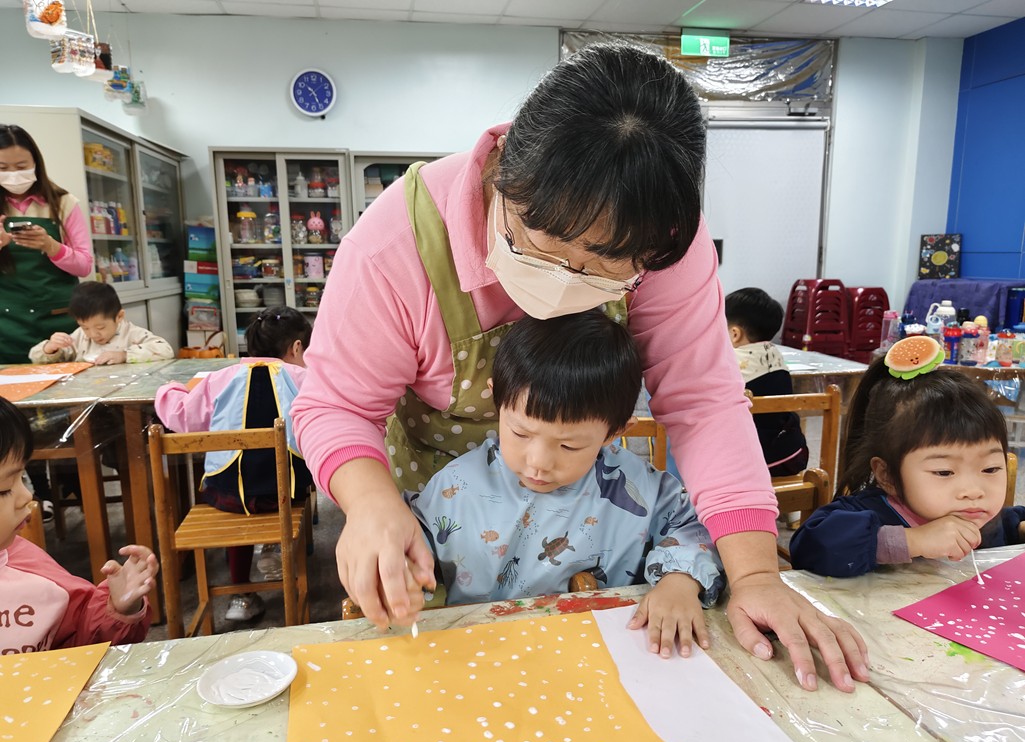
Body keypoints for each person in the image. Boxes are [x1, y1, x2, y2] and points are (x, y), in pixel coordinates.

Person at [292, 42, 868, 692]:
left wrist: (757, 574)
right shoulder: (397, 243)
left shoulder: (658, 233)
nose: (565, 279)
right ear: (505, 172)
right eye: (538, 244)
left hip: (590, 519)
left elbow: (703, 402)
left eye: (601, 265)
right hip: (449, 530)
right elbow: (335, 405)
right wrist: (371, 506)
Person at [408, 311, 724, 658]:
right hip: (481, 654)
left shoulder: (641, 487)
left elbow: (697, 527)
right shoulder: (458, 483)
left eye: (569, 446)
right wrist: (403, 566)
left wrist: (679, 581)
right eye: (520, 433)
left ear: (615, 432)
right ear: (497, 399)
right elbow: (413, 539)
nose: (539, 462)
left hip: (602, 656)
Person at [790, 336, 1025, 577]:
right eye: (944, 472)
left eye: (990, 469)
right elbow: (811, 548)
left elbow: (1009, 523)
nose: (974, 491)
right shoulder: (865, 515)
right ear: (887, 475)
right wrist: (912, 540)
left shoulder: (985, 519)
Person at [154, 307, 313, 622]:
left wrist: (169, 389)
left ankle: (241, 595)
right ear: (297, 347)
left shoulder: (220, 379)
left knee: (237, 497)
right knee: (289, 471)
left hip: (227, 497)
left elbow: (182, 418)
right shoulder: (303, 378)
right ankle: (275, 549)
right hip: (286, 495)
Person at [0, 395, 158, 654]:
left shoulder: (33, 570)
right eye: (5, 488)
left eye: (23, 478)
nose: (27, 496)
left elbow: (81, 645)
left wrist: (118, 609)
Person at [0, 124, 94, 366]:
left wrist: (52, 246)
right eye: (2, 168)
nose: (13, 174)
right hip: (6, 325)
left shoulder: (62, 203)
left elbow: (84, 265)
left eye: (21, 166)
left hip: (58, 320)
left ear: (36, 164)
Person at [726, 287, 808, 477]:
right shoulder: (777, 357)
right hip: (788, 455)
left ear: (735, 334)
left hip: (747, 462)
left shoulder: (729, 363)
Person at [28, 280, 173, 365]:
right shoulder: (79, 337)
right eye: (85, 327)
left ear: (119, 316)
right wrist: (51, 348)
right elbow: (35, 357)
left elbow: (166, 350)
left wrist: (124, 355)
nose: (92, 334)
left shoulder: (132, 334)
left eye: (100, 327)